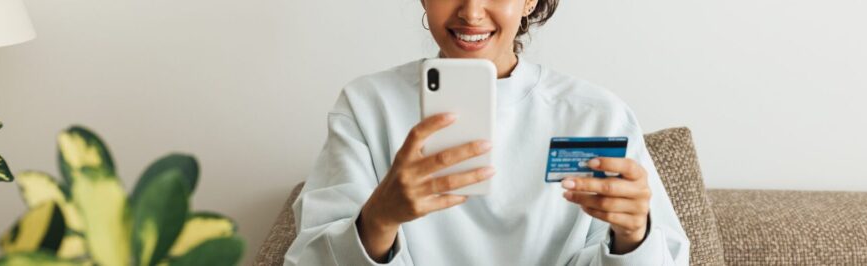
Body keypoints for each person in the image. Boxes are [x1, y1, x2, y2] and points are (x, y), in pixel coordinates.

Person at [284, 0, 690, 265]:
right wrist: (378, 219)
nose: (472, 12)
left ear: (530, 0)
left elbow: (666, 256)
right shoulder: (368, 105)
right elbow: (308, 259)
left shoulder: (596, 114)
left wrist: (633, 237)